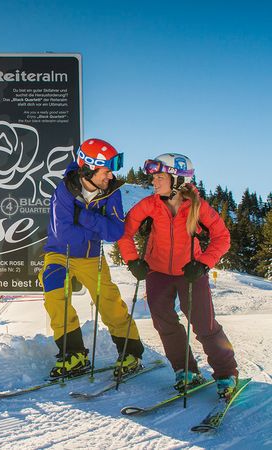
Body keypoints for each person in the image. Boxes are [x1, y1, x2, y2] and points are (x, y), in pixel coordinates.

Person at [118, 153, 238, 398]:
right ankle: (186, 371)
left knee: (205, 326)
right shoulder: (149, 205)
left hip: (190, 273)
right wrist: (132, 261)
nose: (154, 182)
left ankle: (227, 373)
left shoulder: (197, 207)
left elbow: (222, 237)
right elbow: (125, 233)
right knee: (165, 324)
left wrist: (203, 263)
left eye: (160, 177)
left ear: (177, 180)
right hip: (157, 273)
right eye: (154, 177)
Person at [39, 138, 145, 379]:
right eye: (106, 171)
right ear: (89, 168)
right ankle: (73, 354)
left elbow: (116, 231)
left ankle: (131, 352)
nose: (110, 176)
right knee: (55, 296)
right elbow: (63, 233)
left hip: (90, 256)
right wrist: (97, 226)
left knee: (108, 301)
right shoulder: (64, 189)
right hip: (59, 253)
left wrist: (83, 216)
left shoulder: (112, 192)